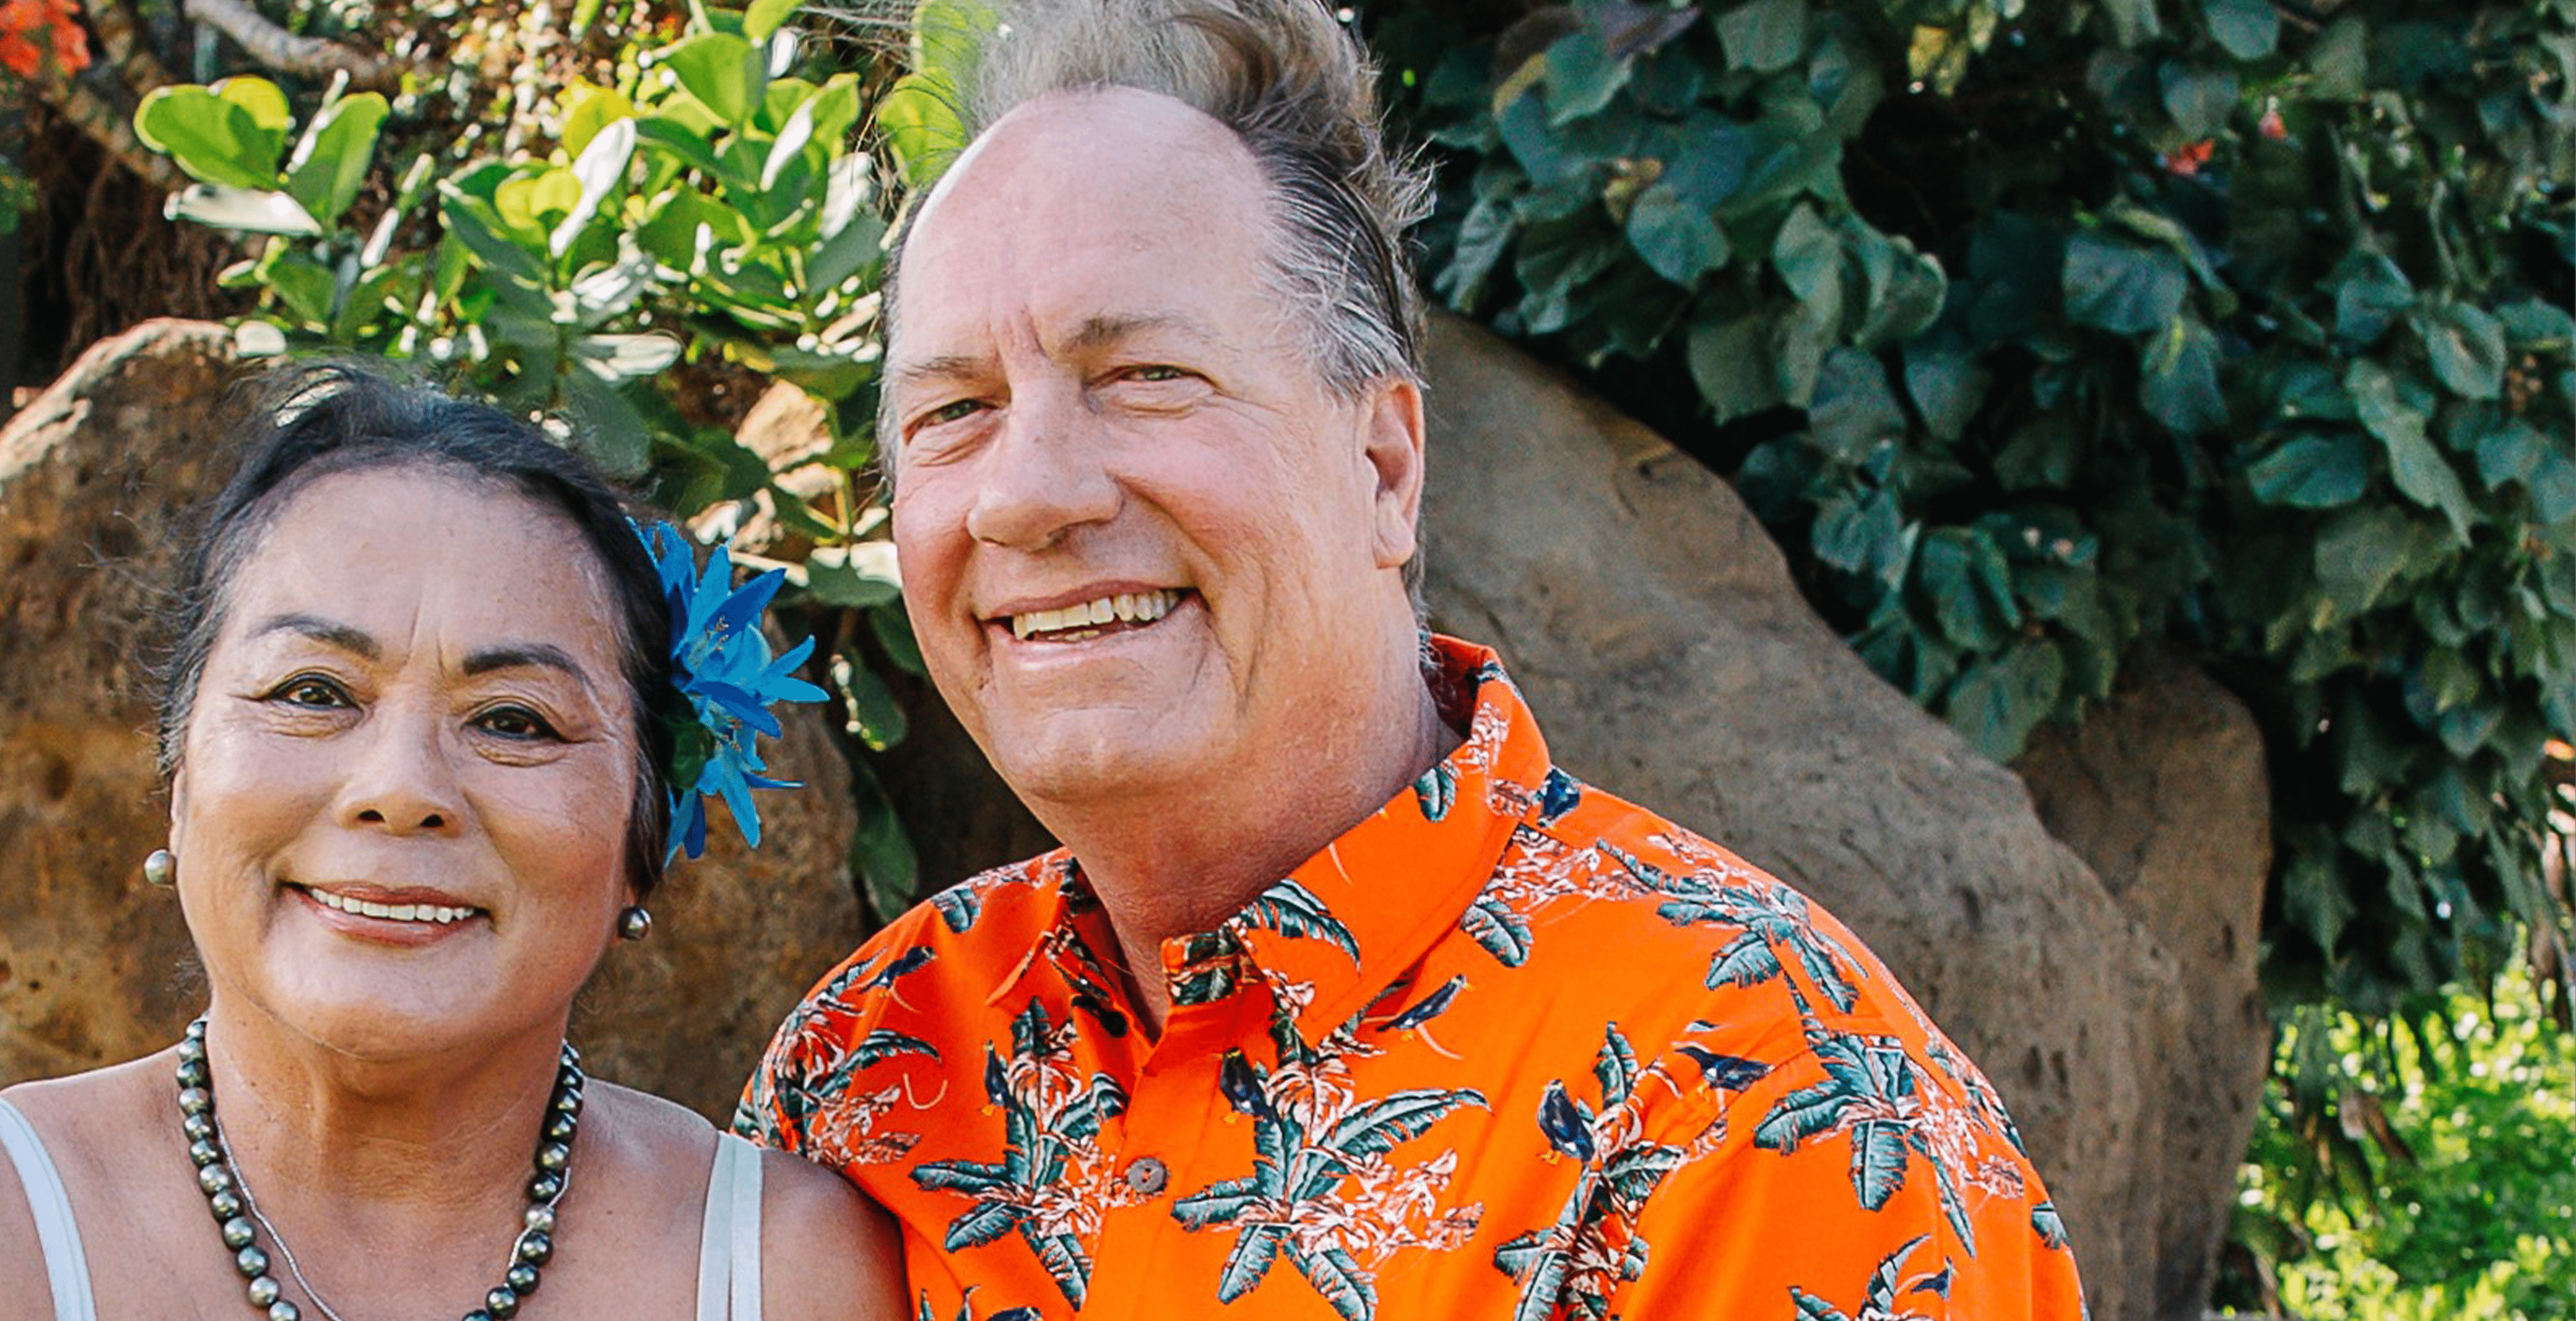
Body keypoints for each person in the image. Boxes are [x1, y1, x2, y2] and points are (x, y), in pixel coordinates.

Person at [733, 2, 2093, 1318]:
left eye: (1144, 375)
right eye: (955, 412)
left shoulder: (1758, 1097)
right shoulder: (872, 1066)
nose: (1023, 495)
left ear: (1385, 465)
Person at [0, 367, 905, 1321]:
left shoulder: (793, 1273)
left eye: (514, 719)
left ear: (640, 835)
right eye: (311, 690)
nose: (401, 790)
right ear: (178, 776)